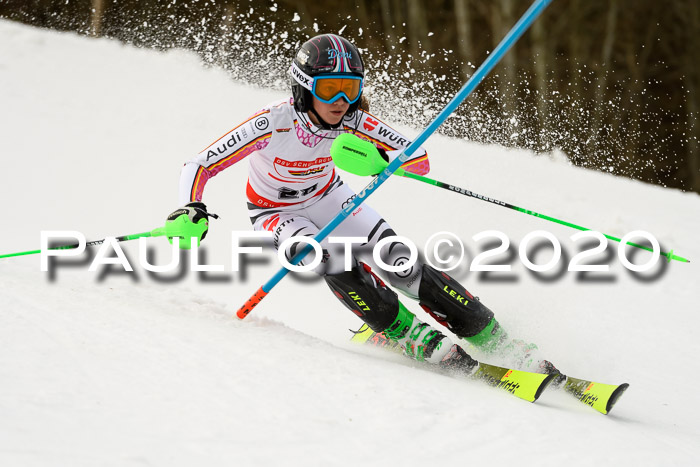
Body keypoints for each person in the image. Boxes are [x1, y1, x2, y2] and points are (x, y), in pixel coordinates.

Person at [167, 33, 554, 375]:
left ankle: (493, 337)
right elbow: (200, 164)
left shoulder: (353, 120)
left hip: (329, 197)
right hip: (276, 214)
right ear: (304, 88)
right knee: (326, 257)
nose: (340, 102)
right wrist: (191, 207)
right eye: (329, 89)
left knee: (398, 258)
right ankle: (403, 332)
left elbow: (418, 159)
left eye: (350, 89)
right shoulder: (272, 123)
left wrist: (384, 162)